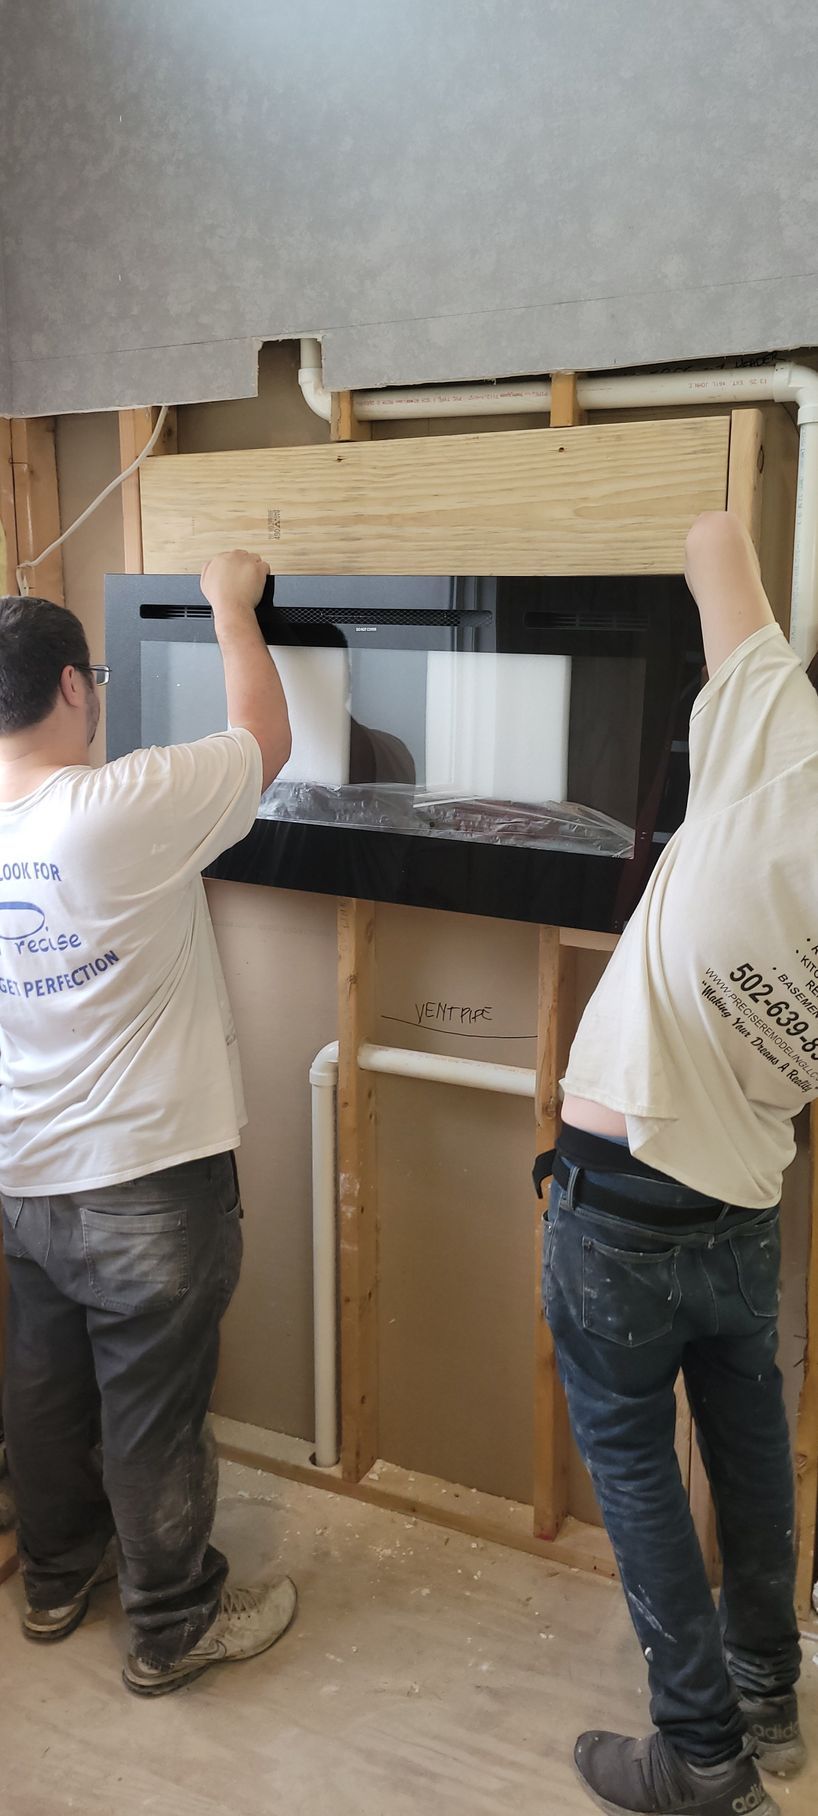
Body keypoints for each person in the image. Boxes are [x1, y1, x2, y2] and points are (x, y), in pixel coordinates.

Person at [538, 510, 813, 1816]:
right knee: (748, 1441)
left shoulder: (779, 740)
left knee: (637, 1462)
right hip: (743, 1197)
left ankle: (700, 1759)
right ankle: (767, 1697)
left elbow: (712, 534)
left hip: (618, 1197)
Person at [0, 549, 295, 1696]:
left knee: (45, 1380)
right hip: (146, 1182)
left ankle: (58, 1578)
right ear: (77, 687)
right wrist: (230, 601)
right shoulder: (115, 808)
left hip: (26, 1176)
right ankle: (172, 1622)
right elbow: (264, 740)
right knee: (153, 1407)